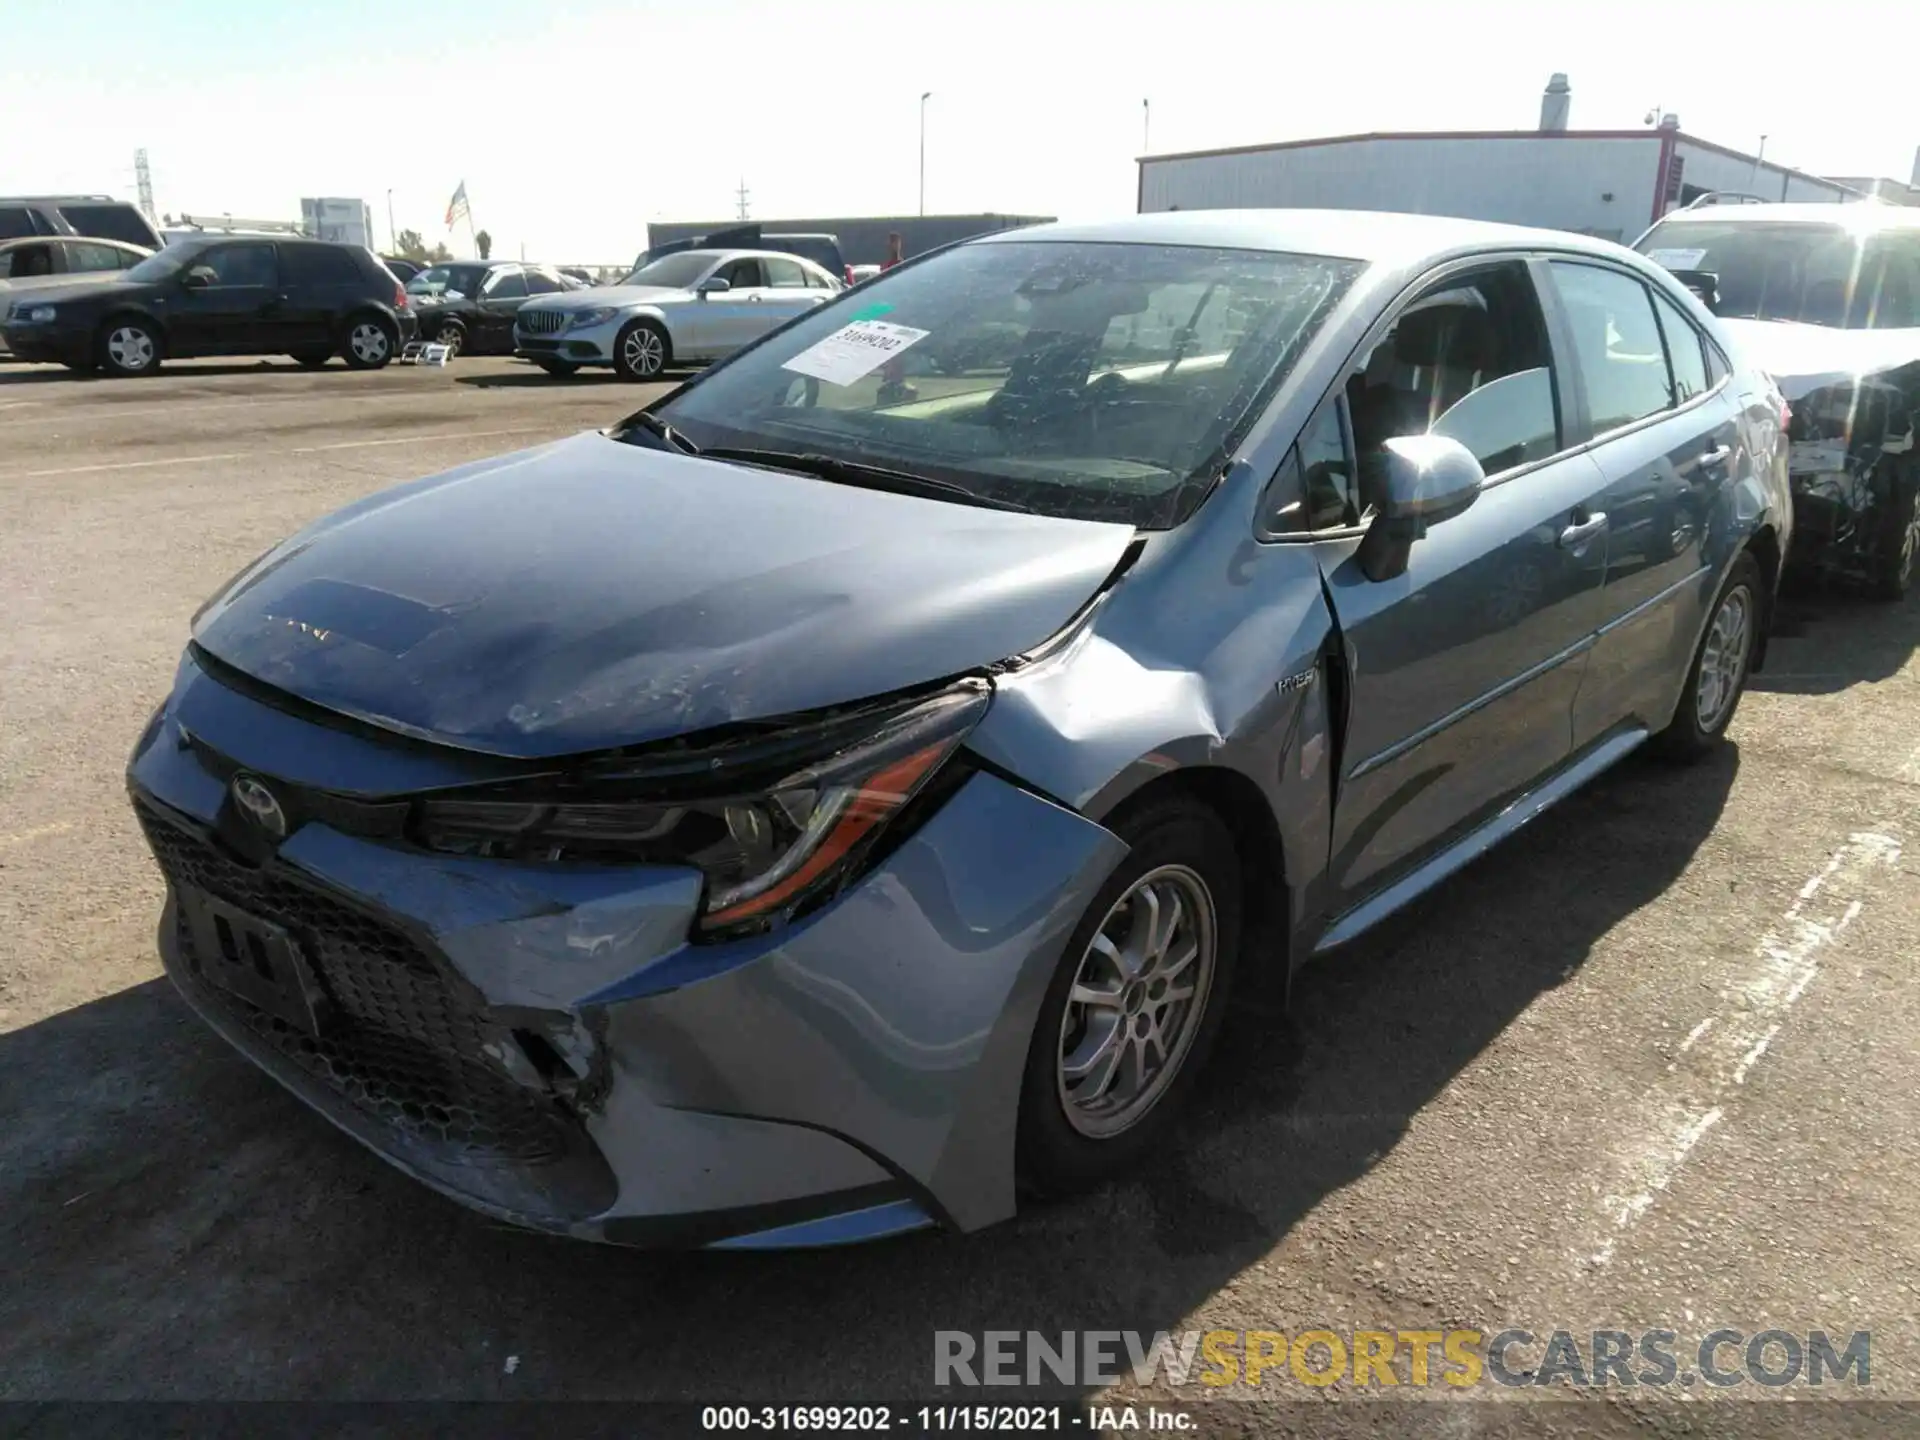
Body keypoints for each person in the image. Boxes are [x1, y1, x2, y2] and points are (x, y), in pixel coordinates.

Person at [875, 232, 915, 403]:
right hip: (889, 309)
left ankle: (896, 377)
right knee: (891, 346)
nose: (893, 246)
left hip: (897, 310)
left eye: (895, 243)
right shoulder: (887, 265)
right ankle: (892, 376)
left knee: (897, 346)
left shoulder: (900, 264)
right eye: (891, 243)